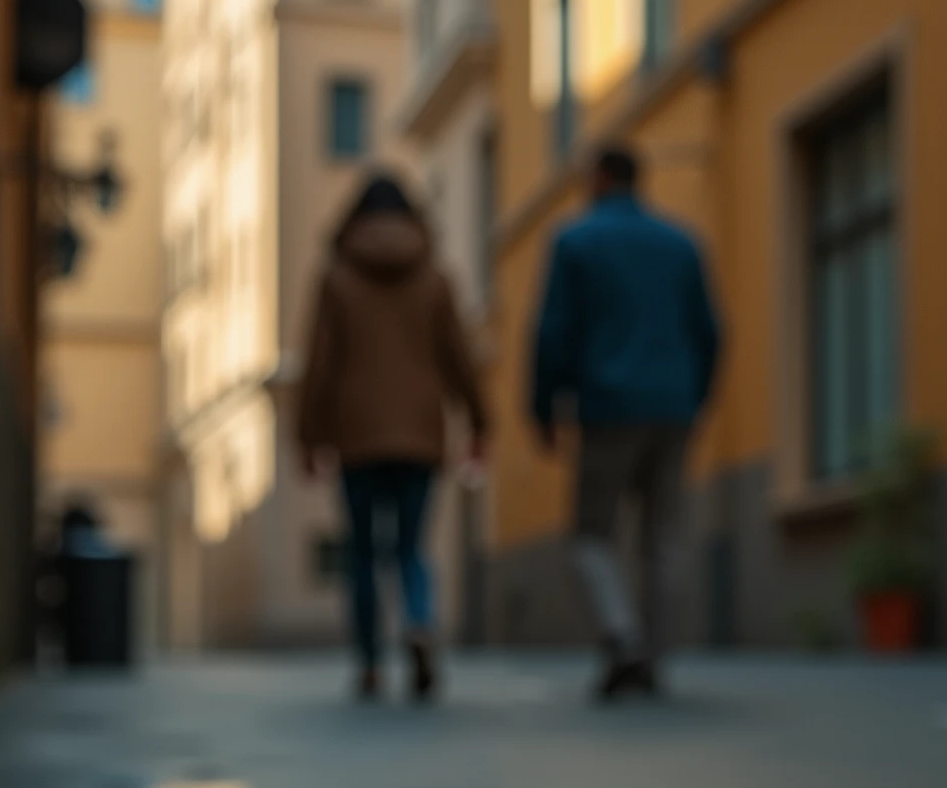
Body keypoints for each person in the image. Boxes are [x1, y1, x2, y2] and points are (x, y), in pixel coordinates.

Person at [532, 144, 721, 699]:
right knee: (664, 536)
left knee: (593, 535)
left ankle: (621, 635)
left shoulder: (575, 241)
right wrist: (697, 397)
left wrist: (544, 407)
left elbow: (552, 334)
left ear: (600, 178)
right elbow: (710, 332)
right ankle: (654, 658)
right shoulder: (683, 244)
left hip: (607, 406)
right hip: (673, 405)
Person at [298, 174, 488, 700]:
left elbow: (319, 362)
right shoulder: (435, 277)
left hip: (356, 434)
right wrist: (478, 422)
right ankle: (420, 623)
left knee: (362, 551)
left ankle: (369, 664)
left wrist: (308, 438)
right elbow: (459, 358)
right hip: (421, 435)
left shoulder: (336, 277)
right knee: (411, 548)